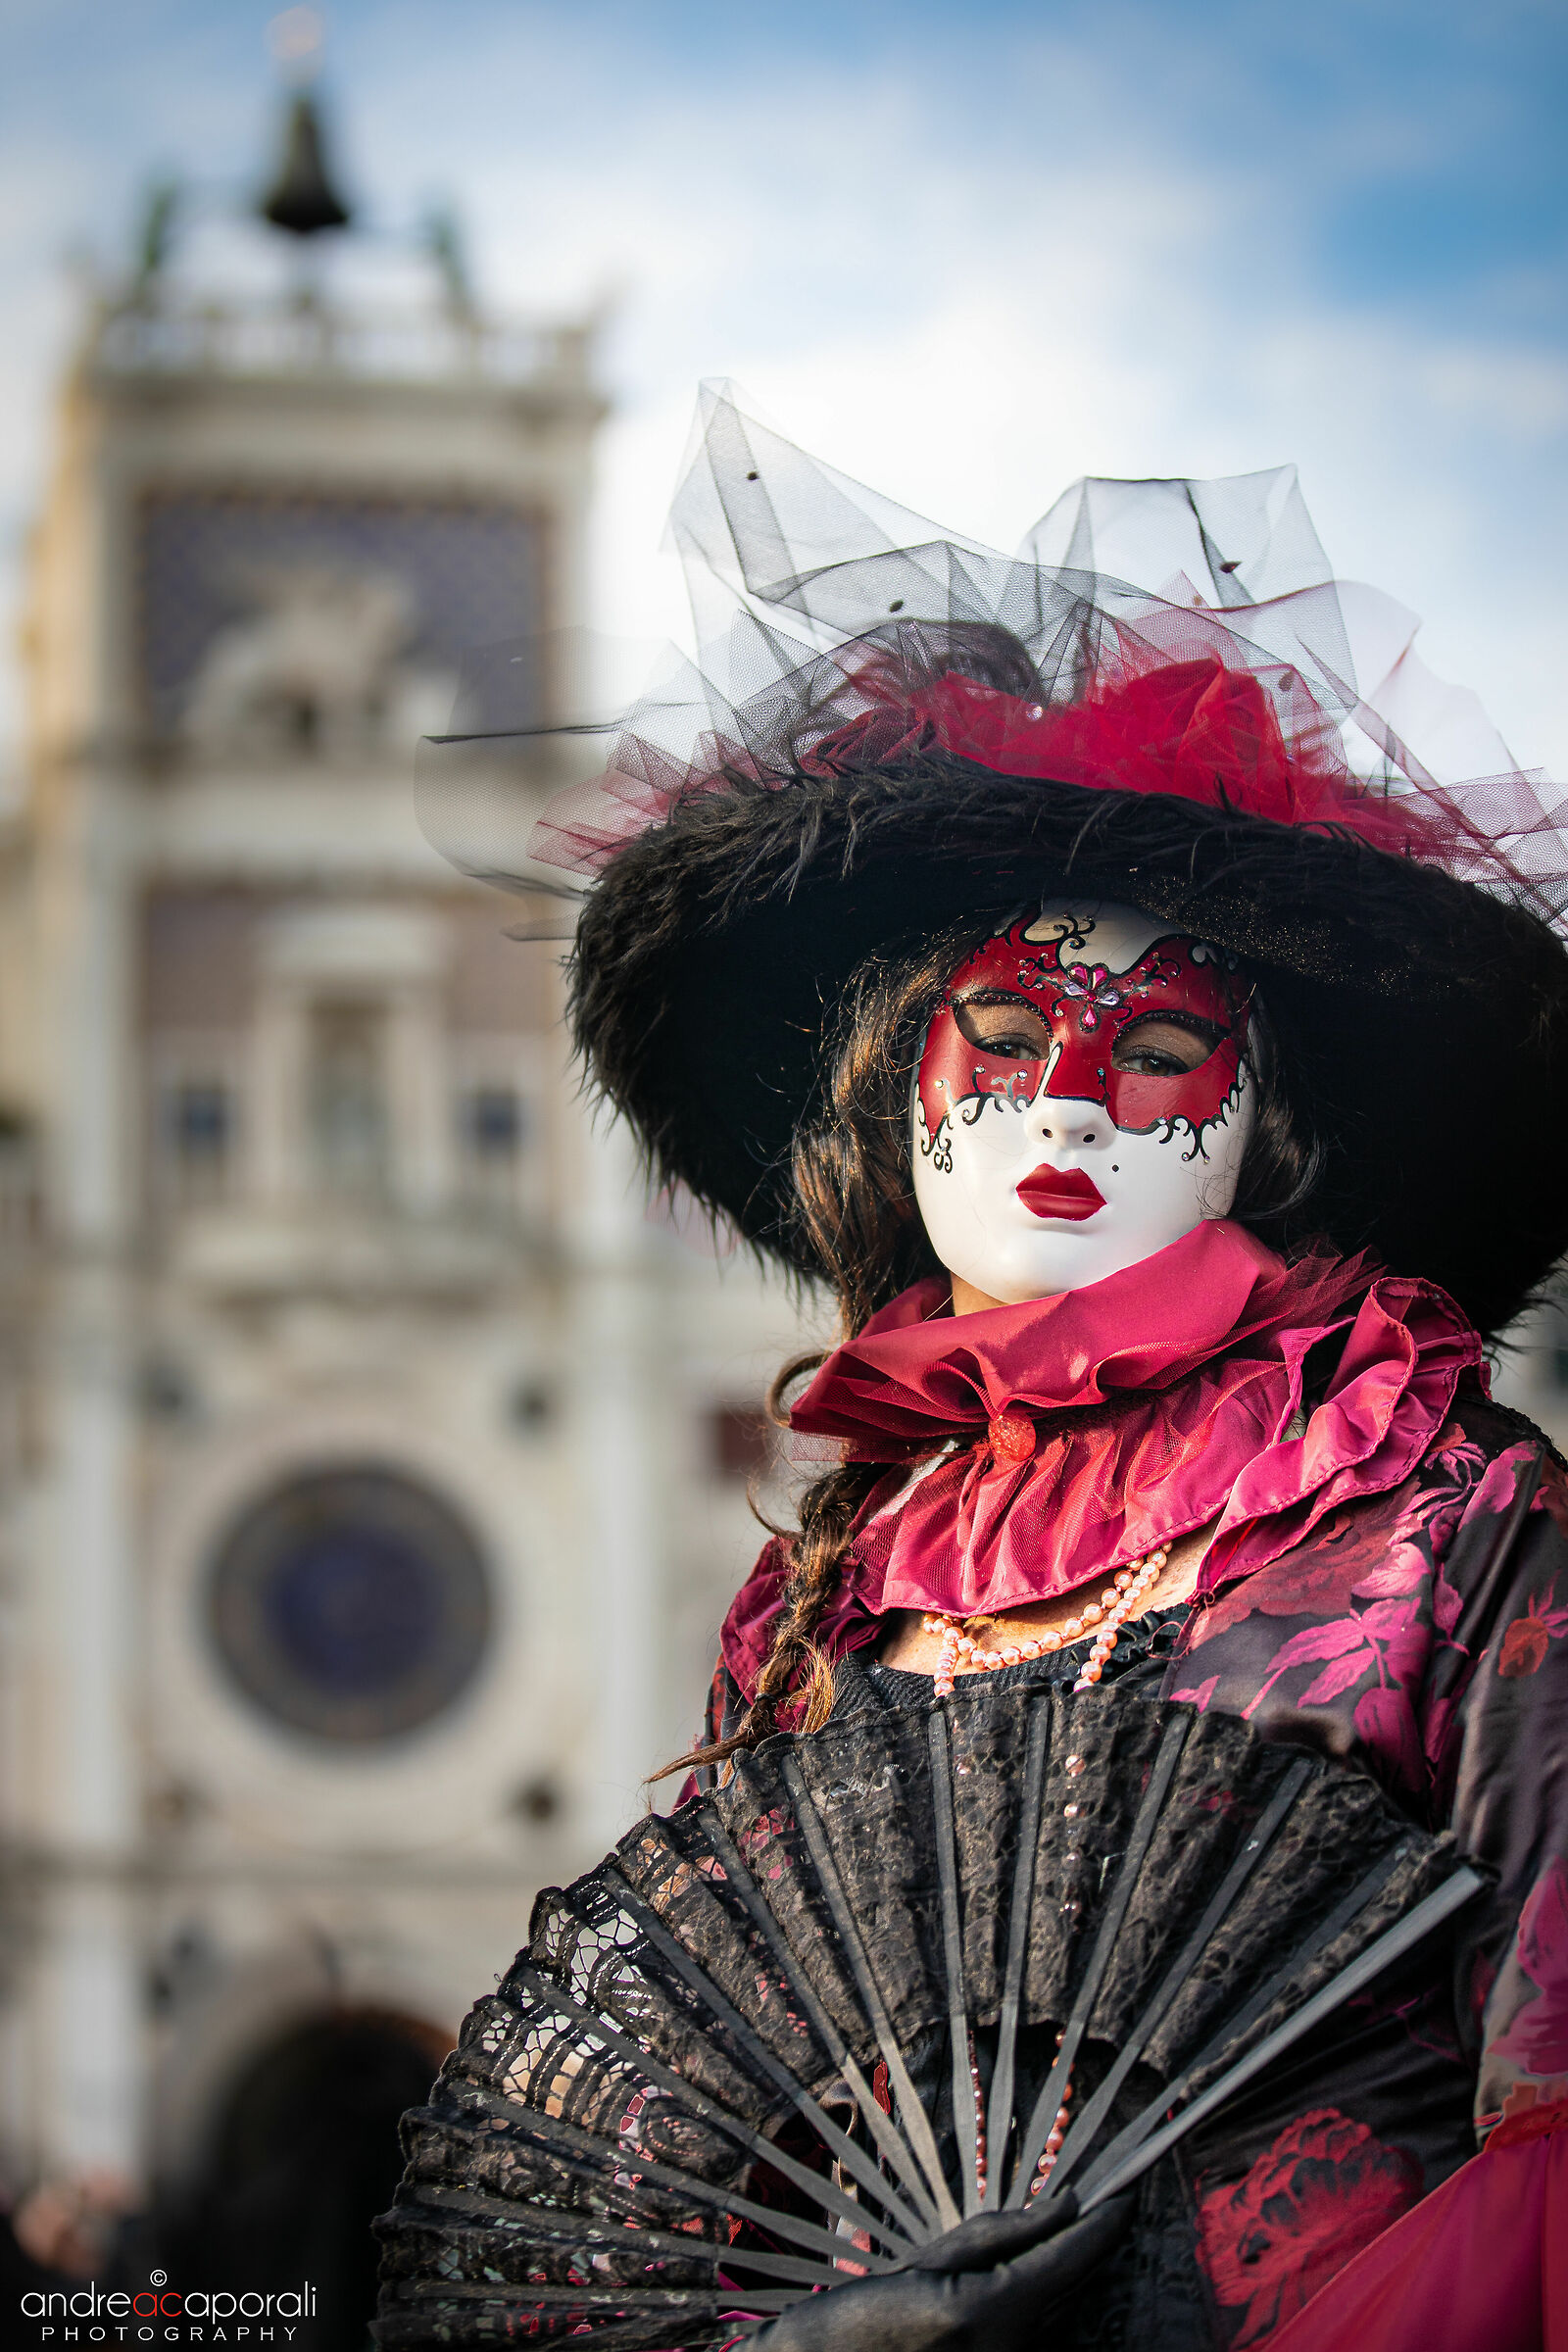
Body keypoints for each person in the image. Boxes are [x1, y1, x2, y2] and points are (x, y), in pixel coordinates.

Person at [428, 386, 1568, 2349]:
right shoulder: (826, 1601)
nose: (1065, 1094)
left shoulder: (1455, 1534)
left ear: (1256, 1128)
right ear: (895, 1101)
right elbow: (735, 2154)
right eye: (1001, 1026)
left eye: (1146, 1046)